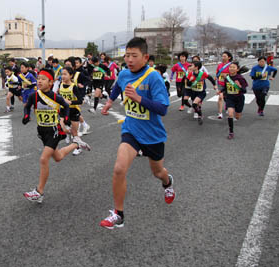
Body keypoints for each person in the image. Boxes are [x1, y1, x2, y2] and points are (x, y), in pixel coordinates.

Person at [100, 37, 174, 230]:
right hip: (131, 130)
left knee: (158, 172)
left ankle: (168, 182)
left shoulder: (154, 77)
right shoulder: (124, 74)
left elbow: (163, 109)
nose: (129, 59)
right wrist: (110, 102)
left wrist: (139, 98)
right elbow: (117, 85)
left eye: (134, 55)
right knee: (119, 168)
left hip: (153, 135)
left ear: (145, 56)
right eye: (127, 55)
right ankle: (118, 213)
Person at [22, 68, 91, 203]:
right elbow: (27, 106)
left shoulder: (55, 97)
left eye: (43, 79)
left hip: (54, 130)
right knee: (58, 157)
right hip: (42, 131)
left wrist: (65, 118)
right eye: (38, 78)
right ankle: (77, 143)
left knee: (43, 159)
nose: (39, 81)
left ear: (50, 82)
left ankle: (39, 191)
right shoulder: (34, 96)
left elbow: (65, 106)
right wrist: (26, 115)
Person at [58, 67, 86, 155]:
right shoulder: (60, 84)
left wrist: (70, 102)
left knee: (74, 132)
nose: (63, 76)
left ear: (71, 76)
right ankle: (70, 134)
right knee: (62, 127)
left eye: (65, 74)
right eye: (62, 74)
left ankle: (78, 147)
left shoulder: (73, 87)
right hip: (63, 110)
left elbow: (80, 100)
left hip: (73, 110)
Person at [222, 62, 248, 139]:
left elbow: (244, 91)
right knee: (230, 114)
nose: (231, 68)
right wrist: (221, 91)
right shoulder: (227, 78)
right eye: (230, 67)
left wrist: (239, 86)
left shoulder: (240, 78)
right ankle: (231, 132)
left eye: (233, 67)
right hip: (230, 98)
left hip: (239, 98)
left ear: (237, 69)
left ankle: (237, 115)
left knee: (237, 116)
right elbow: (226, 88)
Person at [215, 51, 233, 119]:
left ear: (229, 57)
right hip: (220, 83)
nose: (223, 57)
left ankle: (228, 106)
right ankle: (219, 113)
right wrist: (216, 77)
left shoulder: (231, 65)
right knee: (220, 97)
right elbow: (217, 73)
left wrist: (227, 76)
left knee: (228, 97)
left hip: (229, 83)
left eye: (225, 56)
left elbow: (234, 74)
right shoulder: (219, 65)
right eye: (222, 56)